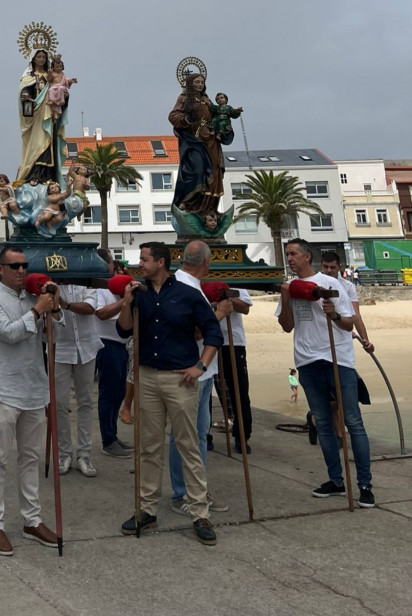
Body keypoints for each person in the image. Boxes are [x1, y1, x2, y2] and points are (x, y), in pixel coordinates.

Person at [117, 242, 223, 546]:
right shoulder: (139, 295)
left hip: (181, 379)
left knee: (188, 445)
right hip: (147, 377)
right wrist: (126, 301)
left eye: (144, 259)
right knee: (148, 446)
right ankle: (146, 510)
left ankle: (200, 512)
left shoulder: (189, 295)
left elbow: (213, 332)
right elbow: (124, 329)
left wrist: (201, 367)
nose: (140, 264)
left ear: (161, 262)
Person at [276, 238, 374, 508]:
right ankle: (336, 480)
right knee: (322, 422)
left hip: (336, 359)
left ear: (307, 256)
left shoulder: (332, 284)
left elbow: (347, 324)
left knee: (353, 422)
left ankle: (365, 484)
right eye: (287, 254)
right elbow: (287, 326)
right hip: (307, 361)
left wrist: (332, 314)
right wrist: (285, 299)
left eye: (293, 253)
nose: (290, 258)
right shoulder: (290, 287)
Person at [0, 245, 61, 556]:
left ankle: (32, 520)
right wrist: (39, 309)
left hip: (34, 387)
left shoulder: (33, 295)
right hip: (3, 389)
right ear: (0, 270)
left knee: (31, 458)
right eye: (14, 266)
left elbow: (58, 326)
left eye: (24, 265)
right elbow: (9, 333)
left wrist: (54, 300)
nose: (21, 271)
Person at [168, 241, 233, 518]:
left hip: (204, 371)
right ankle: (184, 492)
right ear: (206, 263)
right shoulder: (186, 287)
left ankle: (197, 488)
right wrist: (221, 313)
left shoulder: (187, 284)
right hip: (192, 369)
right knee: (185, 434)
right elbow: (196, 331)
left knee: (198, 433)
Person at [53, 284, 102, 477]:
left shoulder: (87, 281)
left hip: (87, 347)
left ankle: (84, 455)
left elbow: (90, 308)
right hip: (60, 349)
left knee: (85, 402)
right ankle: (64, 453)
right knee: (60, 404)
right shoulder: (53, 282)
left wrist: (65, 304)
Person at [169, 73, 229, 217]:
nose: (200, 84)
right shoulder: (184, 98)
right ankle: (190, 205)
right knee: (196, 170)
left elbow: (218, 116)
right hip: (195, 141)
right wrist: (187, 119)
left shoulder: (207, 100)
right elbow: (173, 116)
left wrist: (225, 125)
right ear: (190, 83)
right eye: (197, 81)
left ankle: (210, 210)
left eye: (202, 82)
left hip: (212, 141)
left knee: (215, 174)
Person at [94, 251, 133, 458]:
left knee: (119, 393)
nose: (114, 266)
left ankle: (113, 435)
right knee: (108, 394)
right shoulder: (99, 286)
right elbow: (101, 313)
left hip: (121, 345)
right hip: (106, 344)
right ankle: (107, 440)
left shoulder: (118, 286)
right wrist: (124, 301)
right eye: (111, 263)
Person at [212, 287, 254, 453]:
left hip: (232, 341)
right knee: (205, 388)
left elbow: (245, 308)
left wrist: (228, 298)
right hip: (206, 338)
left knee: (239, 390)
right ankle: (204, 435)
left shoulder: (237, 281)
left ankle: (242, 435)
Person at [16, 49, 66, 185]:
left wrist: (65, 96)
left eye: (44, 56)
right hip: (37, 116)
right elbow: (24, 90)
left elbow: (61, 88)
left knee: (50, 143)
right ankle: (34, 174)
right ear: (33, 59)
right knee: (37, 143)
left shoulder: (51, 75)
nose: (42, 59)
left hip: (50, 113)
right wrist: (26, 95)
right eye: (39, 56)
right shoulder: (28, 76)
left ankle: (49, 176)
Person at [320, 251, 374, 354]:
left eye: (332, 267)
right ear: (321, 266)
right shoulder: (315, 284)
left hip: (342, 334)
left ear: (339, 267)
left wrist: (365, 340)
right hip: (321, 337)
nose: (329, 270)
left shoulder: (348, 286)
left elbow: (355, 315)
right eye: (325, 267)